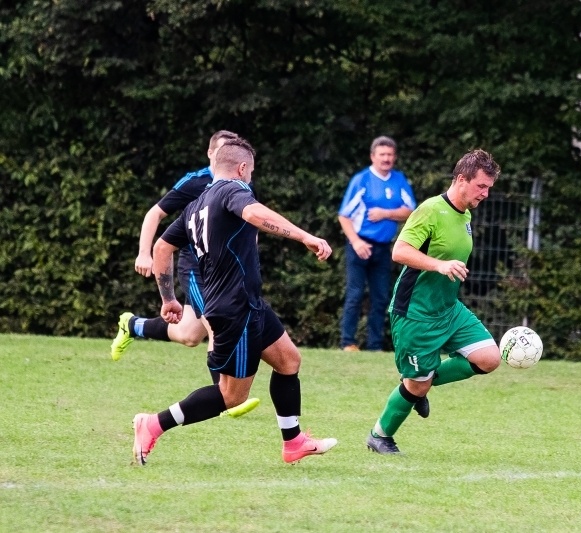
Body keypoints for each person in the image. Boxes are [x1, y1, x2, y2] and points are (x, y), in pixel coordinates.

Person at [132, 138, 337, 465]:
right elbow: (254, 214)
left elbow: (161, 249)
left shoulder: (195, 206)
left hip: (249, 302)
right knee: (231, 396)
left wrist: (168, 298)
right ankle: (153, 424)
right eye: (251, 172)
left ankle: (294, 441)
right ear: (242, 168)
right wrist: (305, 236)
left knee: (288, 360)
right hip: (233, 310)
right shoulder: (232, 190)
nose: (251, 179)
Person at [111, 130, 258, 418]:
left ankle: (133, 325)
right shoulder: (195, 181)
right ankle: (227, 396)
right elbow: (155, 214)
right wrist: (144, 253)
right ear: (210, 154)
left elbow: (249, 223)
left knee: (191, 335)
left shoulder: (241, 182)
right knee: (218, 325)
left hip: (224, 269)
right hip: (196, 268)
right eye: (220, 151)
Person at [365, 149, 502, 455]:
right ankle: (380, 435)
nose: (486, 193)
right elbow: (399, 251)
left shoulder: (465, 213)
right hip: (415, 312)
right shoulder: (430, 210)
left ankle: (418, 384)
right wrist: (438, 265)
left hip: (448, 309)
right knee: (417, 384)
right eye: (481, 186)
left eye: (489, 188)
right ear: (461, 179)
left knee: (489, 358)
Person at [337, 136, 416, 352]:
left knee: (381, 298)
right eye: (382, 154)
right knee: (354, 295)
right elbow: (344, 216)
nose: (386, 159)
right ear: (373, 156)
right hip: (360, 246)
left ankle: (374, 346)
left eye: (390, 155)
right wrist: (356, 242)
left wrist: (386, 213)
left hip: (383, 248)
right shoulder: (361, 180)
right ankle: (348, 343)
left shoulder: (399, 180)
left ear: (395, 157)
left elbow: (411, 210)